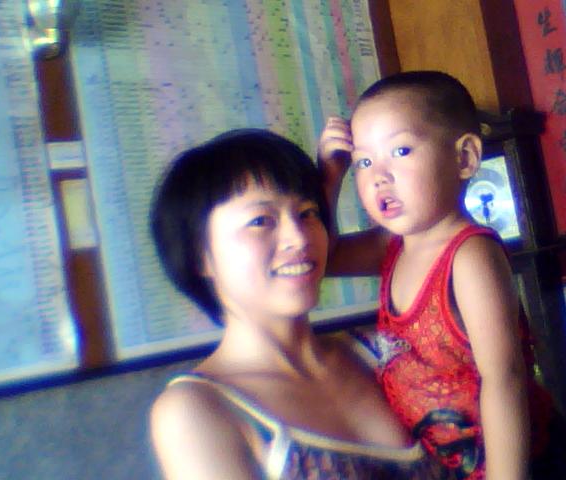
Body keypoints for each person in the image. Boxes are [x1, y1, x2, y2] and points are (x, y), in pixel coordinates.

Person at [318, 71, 566, 479]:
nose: (378, 175)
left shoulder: (469, 255)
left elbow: (503, 379)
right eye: (363, 161)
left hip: (529, 465)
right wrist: (329, 177)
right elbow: (321, 256)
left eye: (400, 151)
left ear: (464, 158)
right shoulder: (391, 247)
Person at [147, 128, 451, 480]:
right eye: (260, 221)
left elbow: (437, 242)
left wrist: (332, 184)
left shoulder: (379, 353)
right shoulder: (196, 410)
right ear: (200, 256)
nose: (299, 237)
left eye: (307, 213)